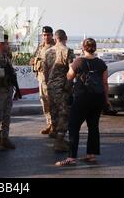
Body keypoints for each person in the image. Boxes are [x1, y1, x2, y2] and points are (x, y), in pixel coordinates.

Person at [55, 38, 110, 167]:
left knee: (74, 126)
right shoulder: (102, 64)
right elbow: (105, 83)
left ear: (83, 48)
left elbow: (69, 77)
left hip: (81, 98)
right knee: (93, 126)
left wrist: (71, 67)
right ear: (95, 48)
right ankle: (91, 155)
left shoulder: (78, 62)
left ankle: (71, 157)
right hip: (97, 99)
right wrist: (106, 100)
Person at [44, 30, 75, 152]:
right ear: (65, 38)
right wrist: (69, 86)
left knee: (54, 111)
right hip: (62, 87)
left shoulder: (48, 51)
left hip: (51, 86)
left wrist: (48, 83)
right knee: (64, 113)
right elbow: (72, 71)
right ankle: (59, 141)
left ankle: (56, 136)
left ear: (55, 38)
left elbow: (45, 71)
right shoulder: (68, 51)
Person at [30, 26, 55, 135]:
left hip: (51, 81)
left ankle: (55, 125)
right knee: (44, 103)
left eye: (48, 35)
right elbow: (35, 59)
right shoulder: (40, 47)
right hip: (41, 79)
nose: (46, 37)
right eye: (44, 35)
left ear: (52, 35)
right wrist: (33, 62)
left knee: (52, 103)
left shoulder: (55, 47)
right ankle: (49, 124)